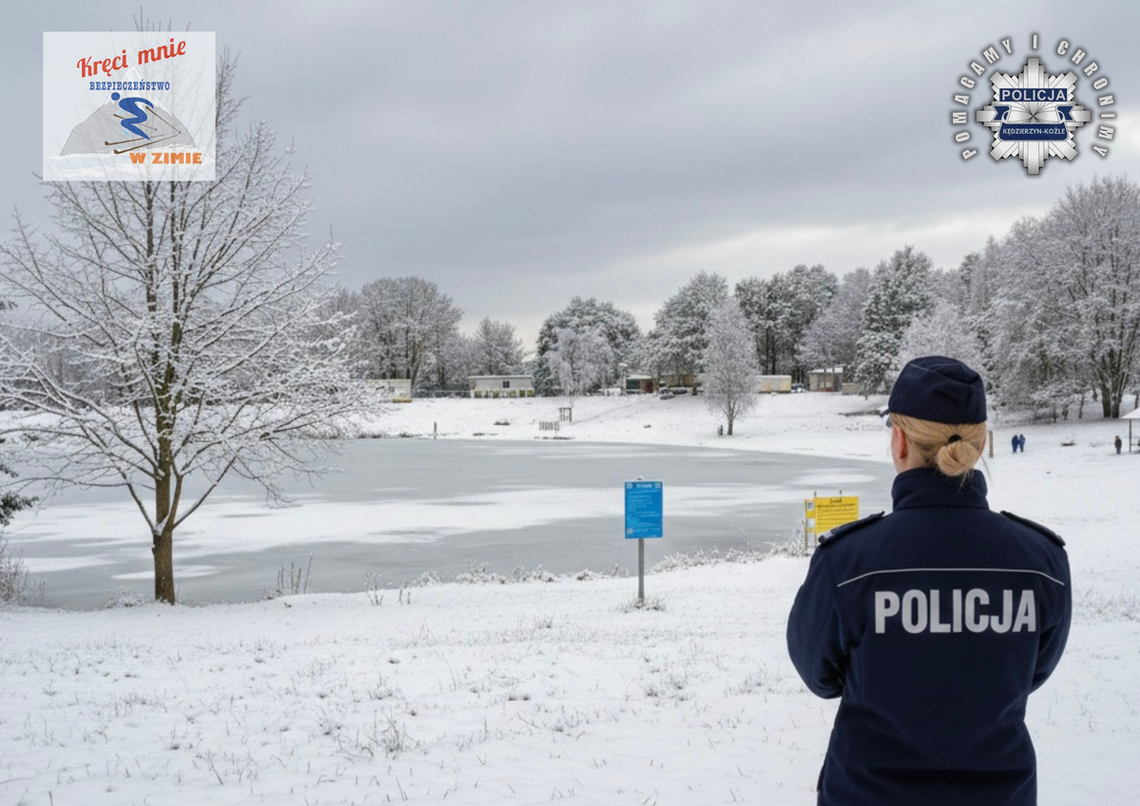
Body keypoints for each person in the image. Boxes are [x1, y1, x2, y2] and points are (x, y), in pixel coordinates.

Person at [786, 356, 1071, 806]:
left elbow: (818, 675)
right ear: (977, 446)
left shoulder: (849, 561)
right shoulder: (1041, 562)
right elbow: (1030, 672)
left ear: (899, 441)